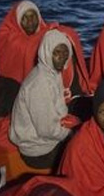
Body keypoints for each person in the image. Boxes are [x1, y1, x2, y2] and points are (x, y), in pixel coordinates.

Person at [10, 29, 80, 169]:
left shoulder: (51, 72)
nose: (62, 58)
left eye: (65, 53)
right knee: (83, 149)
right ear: (47, 52)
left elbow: (59, 108)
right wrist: (73, 131)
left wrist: (68, 121)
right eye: (57, 53)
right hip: (38, 151)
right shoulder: (39, 84)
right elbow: (47, 130)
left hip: (45, 139)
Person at [0, 0, 50, 84]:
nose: (30, 21)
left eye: (33, 16)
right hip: (10, 87)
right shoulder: (9, 39)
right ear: (17, 20)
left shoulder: (46, 35)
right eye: (25, 17)